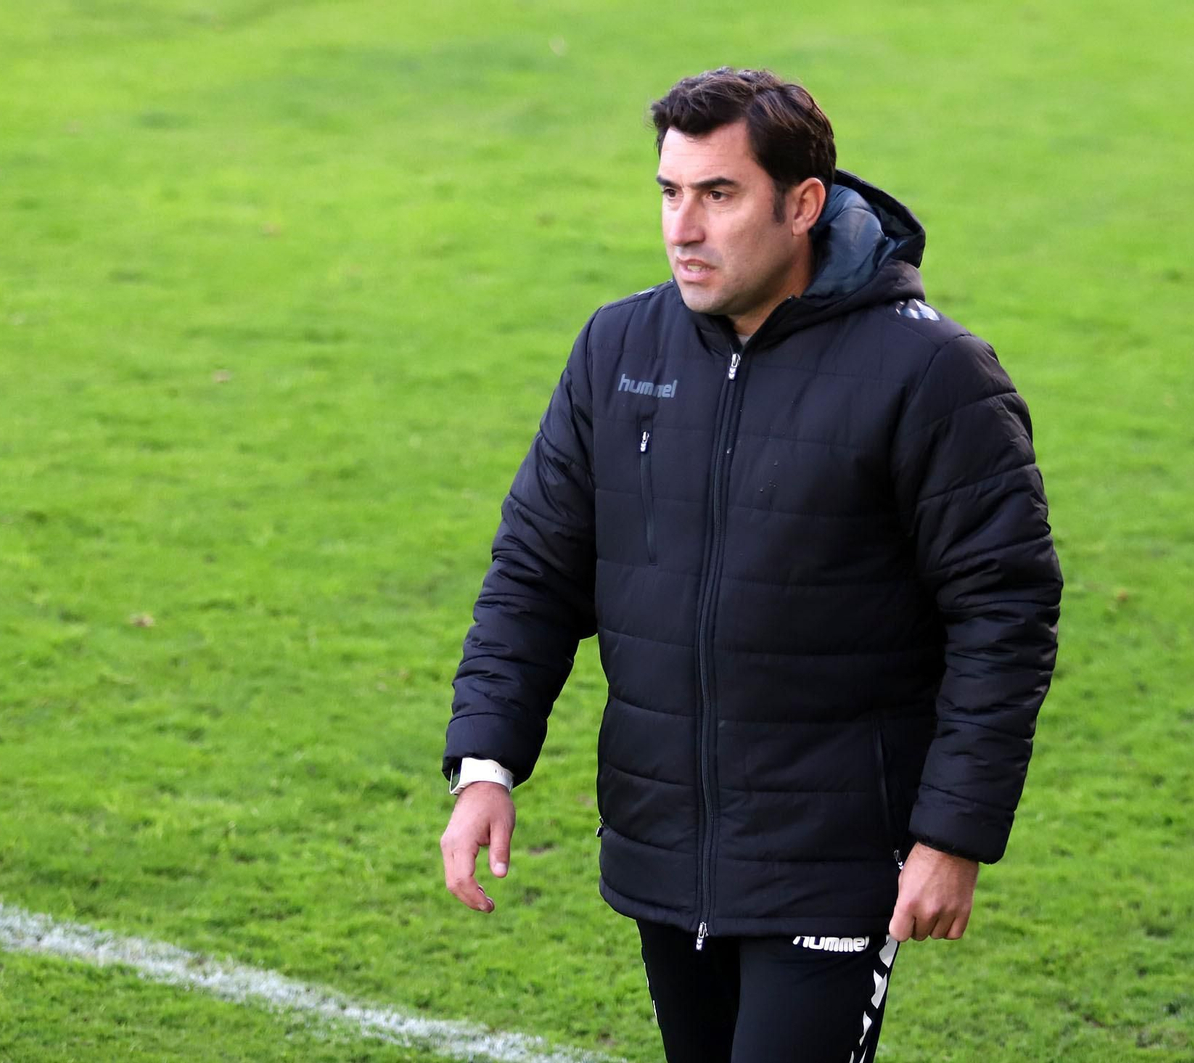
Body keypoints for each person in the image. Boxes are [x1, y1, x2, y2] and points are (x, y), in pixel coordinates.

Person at [439, 67, 1062, 1063]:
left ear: (803, 203)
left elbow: (1003, 613)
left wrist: (951, 836)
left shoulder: (932, 374)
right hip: (662, 842)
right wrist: (486, 762)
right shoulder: (617, 347)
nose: (683, 228)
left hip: (833, 856)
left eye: (718, 195)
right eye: (669, 193)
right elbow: (536, 570)